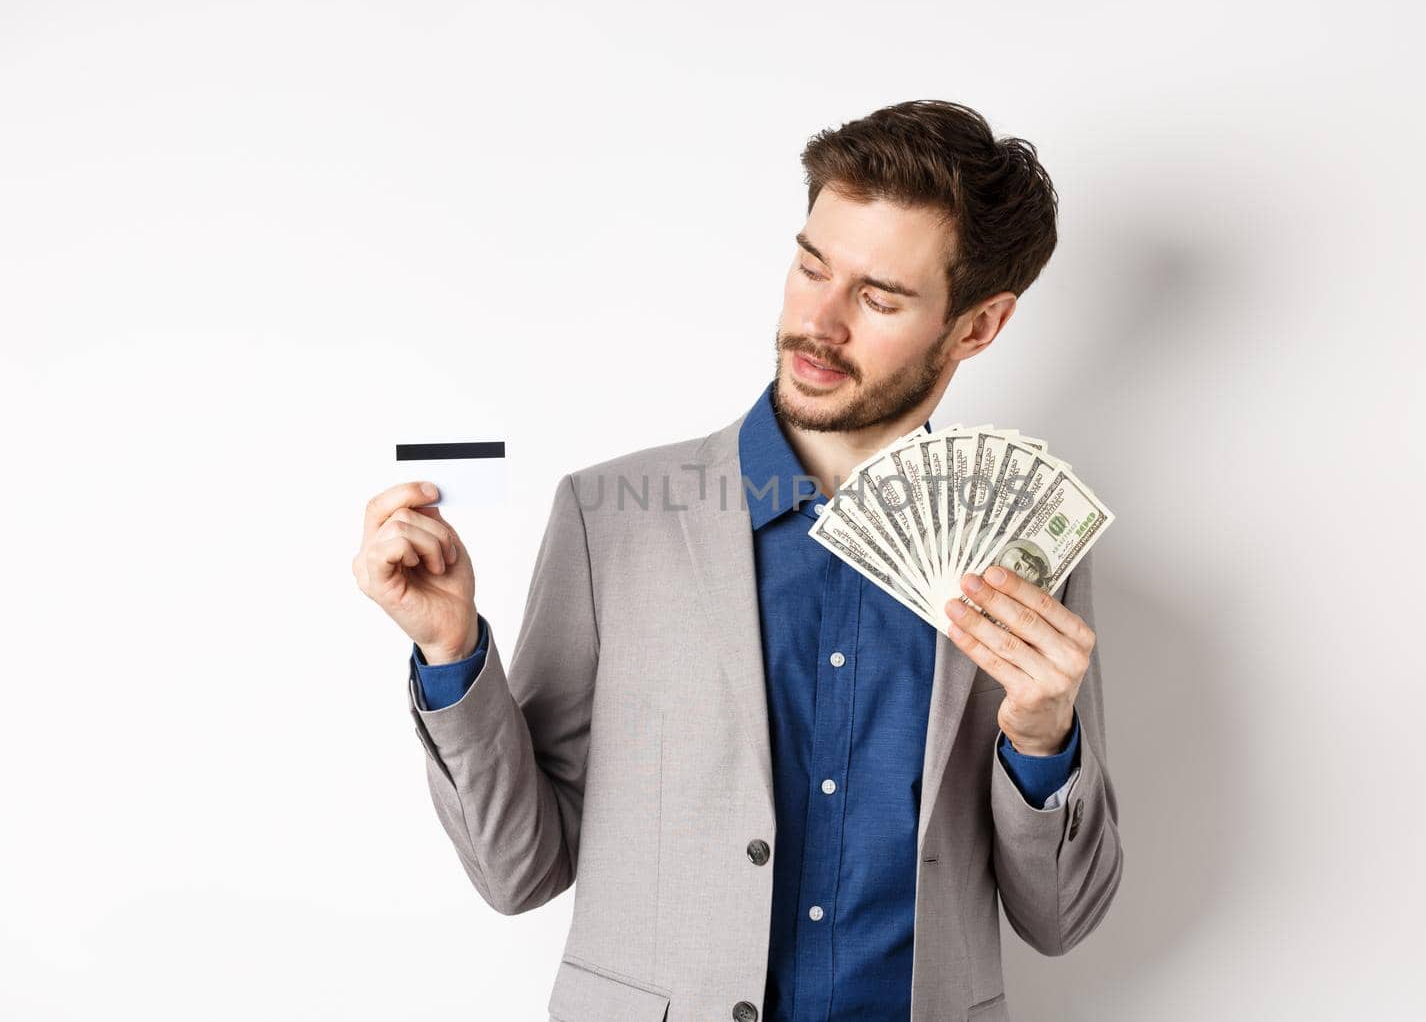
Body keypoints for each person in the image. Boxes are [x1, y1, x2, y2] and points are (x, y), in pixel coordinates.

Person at [353, 99, 1123, 1022]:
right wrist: (449, 652)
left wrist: (1041, 738)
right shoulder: (611, 520)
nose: (819, 323)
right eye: (810, 266)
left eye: (878, 297)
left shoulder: (1027, 551)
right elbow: (521, 871)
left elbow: (1061, 918)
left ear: (977, 326)